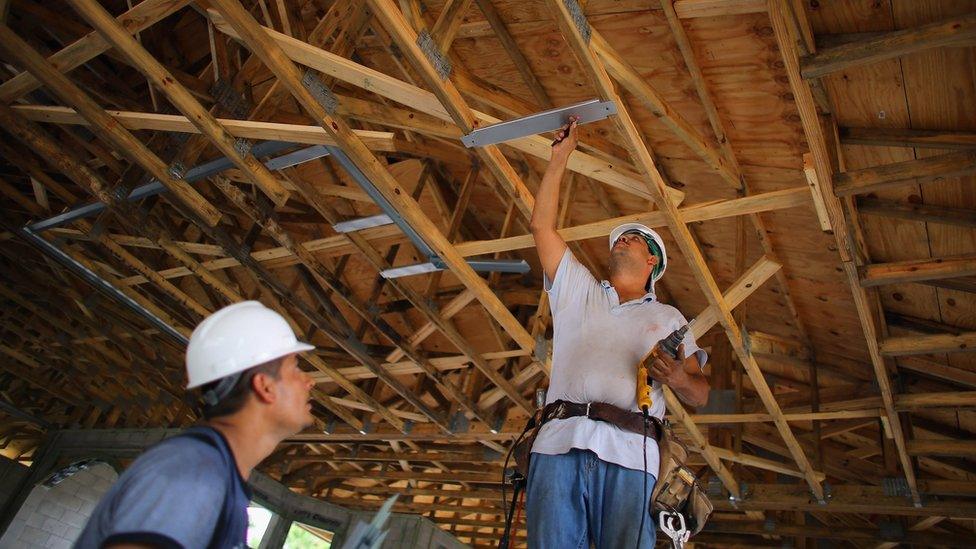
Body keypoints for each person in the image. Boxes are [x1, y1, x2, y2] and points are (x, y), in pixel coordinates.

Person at [524, 119, 710, 548]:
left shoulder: (669, 317)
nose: (620, 241)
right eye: (619, 238)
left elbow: (700, 394)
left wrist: (678, 378)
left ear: (652, 263)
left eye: (632, 239)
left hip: (631, 454)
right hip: (557, 444)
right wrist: (560, 156)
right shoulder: (579, 291)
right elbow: (541, 228)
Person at [75, 301, 316, 549]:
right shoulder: (192, 471)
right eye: (295, 368)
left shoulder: (217, 479)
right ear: (265, 387)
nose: (310, 382)